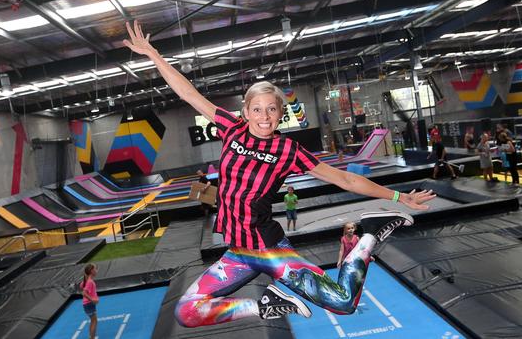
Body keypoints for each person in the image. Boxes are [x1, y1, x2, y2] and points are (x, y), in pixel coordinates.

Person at [124, 20, 436, 328]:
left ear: (280, 115)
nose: (264, 116)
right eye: (257, 109)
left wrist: (398, 196)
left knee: (343, 302)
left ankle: (367, 234)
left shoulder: (288, 150)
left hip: (267, 248)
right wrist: (153, 55)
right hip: (239, 253)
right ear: (245, 112)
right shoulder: (230, 130)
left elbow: (346, 179)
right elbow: (189, 94)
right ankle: (264, 305)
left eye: (271, 110)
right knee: (187, 311)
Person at [81, 263, 99, 339]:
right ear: (91, 271)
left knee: (93, 321)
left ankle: (91, 337)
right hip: (89, 304)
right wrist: (93, 300)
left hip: (87, 305)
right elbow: (84, 293)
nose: (96, 270)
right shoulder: (90, 282)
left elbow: (82, 286)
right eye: (95, 269)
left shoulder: (87, 281)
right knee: (94, 321)